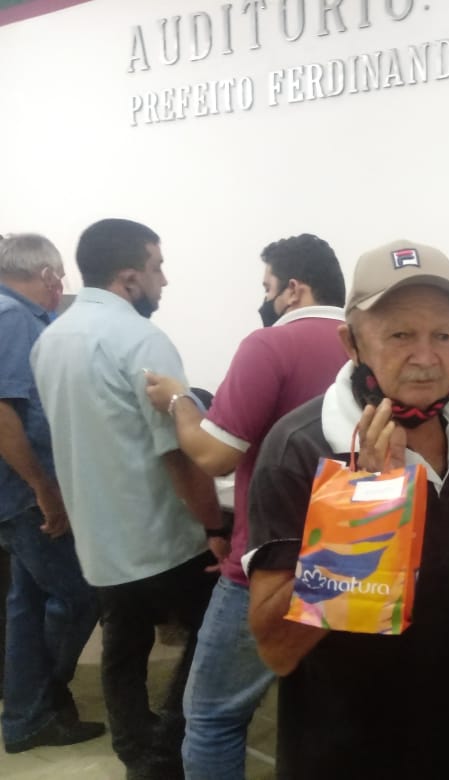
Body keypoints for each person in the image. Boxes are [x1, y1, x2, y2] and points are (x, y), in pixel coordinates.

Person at [246, 239, 449, 779]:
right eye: (400, 335)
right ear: (352, 342)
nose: (425, 358)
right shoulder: (299, 447)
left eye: (442, 335)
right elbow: (276, 650)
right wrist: (366, 518)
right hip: (356, 738)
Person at [143, 233, 348, 779]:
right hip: (350, 562)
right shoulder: (367, 344)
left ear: (293, 289)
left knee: (211, 715)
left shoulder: (269, 345)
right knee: (331, 712)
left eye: (267, 286)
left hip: (269, 565)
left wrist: (179, 401)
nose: (265, 298)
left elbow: (213, 456)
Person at [31, 218, 228, 779]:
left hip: (99, 536)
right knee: (212, 638)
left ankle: (139, 755)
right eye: (156, 267)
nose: (163, 280)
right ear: (128, 277)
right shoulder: (142, 340)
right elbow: (178, 453)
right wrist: (214, 526)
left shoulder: (49, 341)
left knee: (123, 647)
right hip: (161, 535)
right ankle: (174, 745)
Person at [0, 233, 104, 753]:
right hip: (27, 494)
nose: (60, 287)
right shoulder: (13, 317)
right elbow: (4, 412)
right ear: (47, 276)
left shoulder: (17, 316)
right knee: (81, 594)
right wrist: (43, 488)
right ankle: (42, 699)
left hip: (18, 494)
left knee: (27, 604)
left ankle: (25, 716)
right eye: (59, 277)